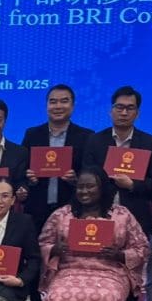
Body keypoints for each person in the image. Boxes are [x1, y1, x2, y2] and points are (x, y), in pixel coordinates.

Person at [26, 167, 148, 301]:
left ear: (102, 188)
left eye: (90, 186)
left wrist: (120, 255)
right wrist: (55, 249)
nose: (84, 191)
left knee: (107, 297)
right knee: (60, 296)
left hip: (110, 271)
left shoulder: (121, 215)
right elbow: (42, 243)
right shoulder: (62, 214)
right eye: (80, 187)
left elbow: (142, 248)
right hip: (70, 270)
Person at [81, 86, 152, 301]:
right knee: (97, 273)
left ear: (137, 113)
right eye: (119, 107)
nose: (124, 112)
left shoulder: (149, 143)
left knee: (131, 274)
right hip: (99, 217)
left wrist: (133, 185)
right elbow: (86, 176)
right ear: (111, 110)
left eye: (130, 108)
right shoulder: (96, 140)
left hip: (134, 219)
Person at [22, 83, 91, 233]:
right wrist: (29, 179)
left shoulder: (86, 136)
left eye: (64, 101)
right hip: (36, 209)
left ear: (72, 106)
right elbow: (22, 170)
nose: (58, 106)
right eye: (53, 102)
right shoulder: (32, 134)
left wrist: (77, 179)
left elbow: (91, 172)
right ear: (47, 106)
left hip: (72, 209)